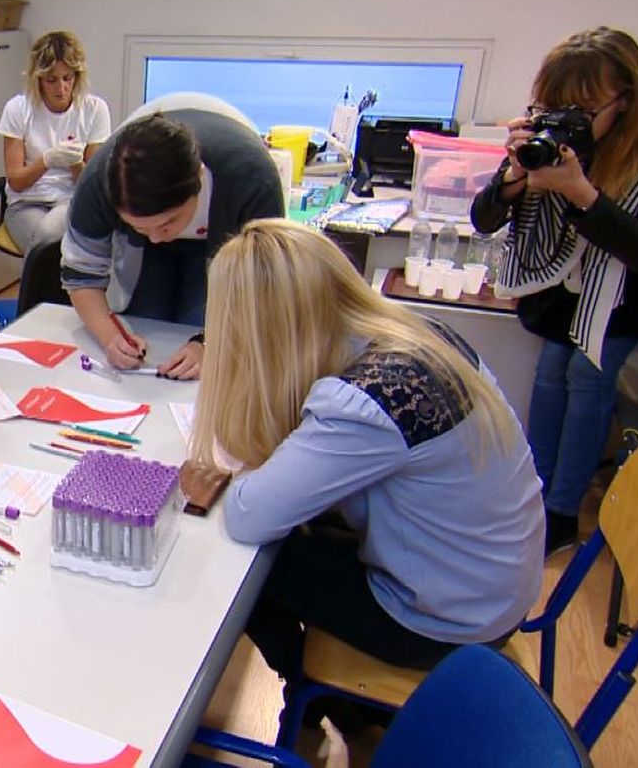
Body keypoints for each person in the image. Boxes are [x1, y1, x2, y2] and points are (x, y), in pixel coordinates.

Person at [182, 220, 543, 730]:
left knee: (243, 561)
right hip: (490, 584)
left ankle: (314, 692)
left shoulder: (364, 402)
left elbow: (249, 516)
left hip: (443, 622)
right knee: (296, 528)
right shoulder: (415, 334)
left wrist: (225, 482)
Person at [471, 27, 638, 554]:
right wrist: (512, 179)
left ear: (625, 101)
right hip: (567, 284)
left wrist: (580, 193)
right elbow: (484, 219)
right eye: (554, 107)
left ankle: (563, 512)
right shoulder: (552, 133)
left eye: (584, 109)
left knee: (587, 375)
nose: (567, 120)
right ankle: (535, 493)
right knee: (551, 372)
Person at [60, 94, 284, 379]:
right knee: (147, 321)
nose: (156, 239)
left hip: (226, 233)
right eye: (140, 227)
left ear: (199, 179)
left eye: (167, 223)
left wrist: (210, 345)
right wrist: (111, 337)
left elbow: (263, 290)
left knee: (199, 322)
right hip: (143, 252)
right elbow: (81, 276)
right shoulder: (97, 182)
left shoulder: (252, 179)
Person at [0, 31, 112, 250]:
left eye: (67, 78)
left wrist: (75, 163)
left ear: (77, 76)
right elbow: (16, 182)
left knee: (47, 239)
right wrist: (47, 160)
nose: (61, 88)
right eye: (51, 80)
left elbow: (93, 186)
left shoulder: (95, 109)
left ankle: (44, 272)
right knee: (48, 245)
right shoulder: (18, 108)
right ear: (38, 79)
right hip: (25, 203)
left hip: (70, 200)